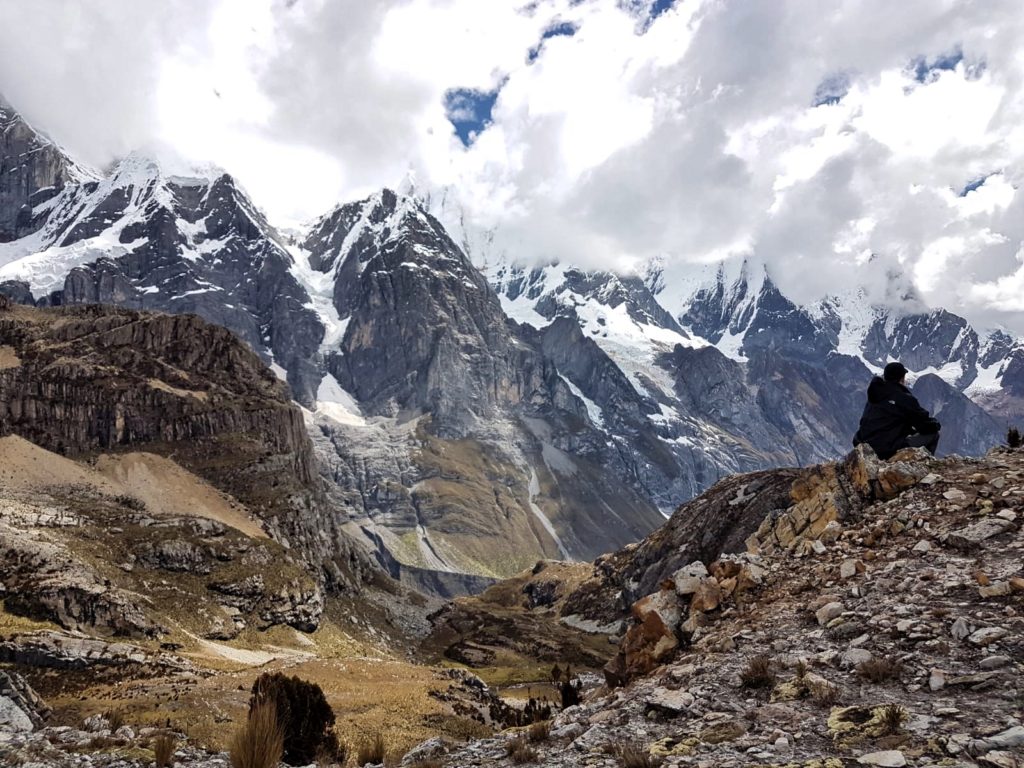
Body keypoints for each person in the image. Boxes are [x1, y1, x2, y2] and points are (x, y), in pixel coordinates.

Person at [852, 362, 941, 460]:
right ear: (902, 379)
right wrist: (935, 424)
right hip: (886, 449)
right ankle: (925, 464)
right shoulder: (904, 399)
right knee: (933, 434)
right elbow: (925, 425)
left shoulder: (874, 396)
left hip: (864, 446)